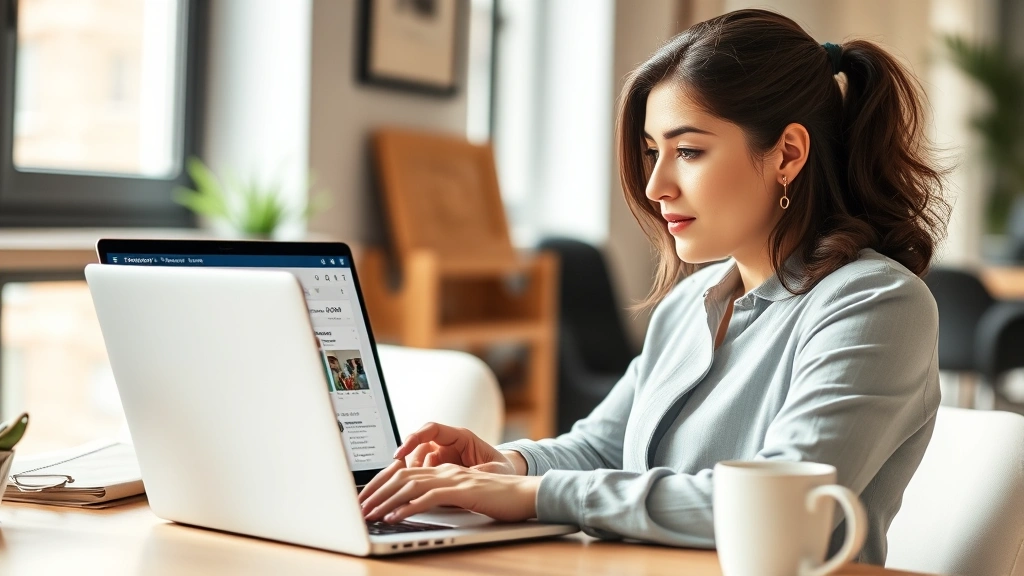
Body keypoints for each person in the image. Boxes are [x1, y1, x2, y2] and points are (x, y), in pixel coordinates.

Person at [357, 8, 949, 566]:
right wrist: (504, 466)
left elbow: (779, 509)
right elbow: (603, 448)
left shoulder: (875, 304)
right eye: (650, 151)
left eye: (688, 151)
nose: (655, 186)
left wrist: (536, 495)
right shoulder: (689, 305)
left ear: (787, 155)